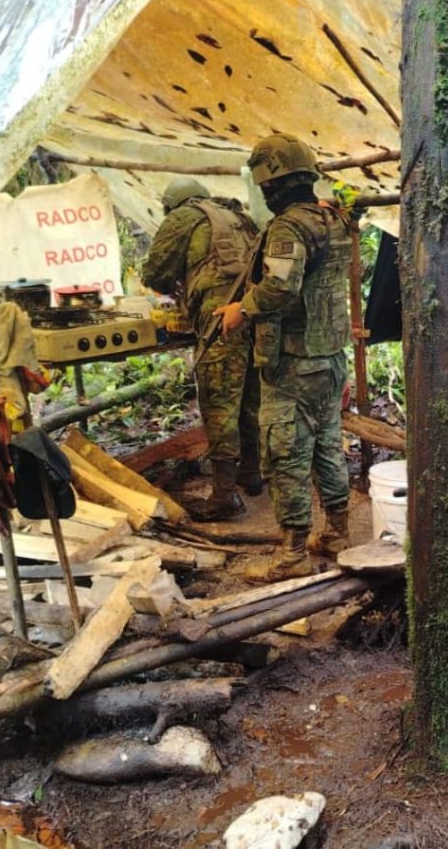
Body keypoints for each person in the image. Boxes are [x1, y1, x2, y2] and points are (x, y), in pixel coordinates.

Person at [214, 135, 353, 582]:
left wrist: (241, 311)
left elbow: (280, 288)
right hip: (329, 357)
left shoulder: (289, 227)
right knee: (328, 447)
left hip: (293, 362)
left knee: (286, 456)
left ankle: (292, 555)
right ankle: (336, 532)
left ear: (273, 184)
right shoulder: (333, 219)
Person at [143, 177, 261, 521]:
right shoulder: (236, 214)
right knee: (250, 398)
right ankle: (251, 473)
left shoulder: (184, 217)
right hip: (254, 312)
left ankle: (224, 496)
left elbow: (155, 272)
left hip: (219, 318)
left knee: (219, 404)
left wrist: (177, 286)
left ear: (171, 204)